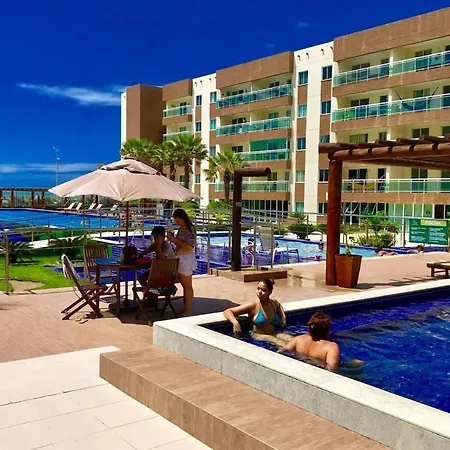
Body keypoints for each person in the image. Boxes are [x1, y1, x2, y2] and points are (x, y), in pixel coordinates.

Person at [223, 278, 290, 346]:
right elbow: (227, 311)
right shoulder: (253, 306)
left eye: (263, 290)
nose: (259, 292)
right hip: (258, 335)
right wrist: (235, 323)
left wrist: (283, 317)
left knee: (292, 340)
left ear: (270, 292)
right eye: (258, 289)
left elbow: (279, 306)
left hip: (273, 333)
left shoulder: (273, 303)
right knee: (282, 344)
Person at [167, 208, 197, 315]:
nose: (177, 223)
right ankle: (186, 308)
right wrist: (173, 239)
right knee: (185, 285)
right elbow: (180, 243)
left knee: (187, 286)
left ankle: (188, 310)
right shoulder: (182, 229)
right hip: (181, 258)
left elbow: (189, 247)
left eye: (178, 220)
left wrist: (174, 240)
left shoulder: (189, 229)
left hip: (186, 259)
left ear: (183, 218)